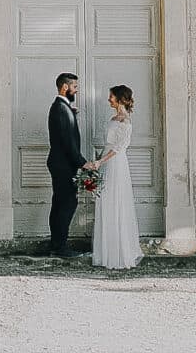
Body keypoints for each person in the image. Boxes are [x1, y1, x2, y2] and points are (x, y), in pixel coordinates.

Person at [91, 84, 143, 270]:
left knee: (116, 202)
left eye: (111, 96)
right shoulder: (114, 118)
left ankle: (119, 253)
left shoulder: (125, 121)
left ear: (120, 99)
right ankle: (106, 251)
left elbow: (118, 147)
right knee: (106, 202)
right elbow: (108, 144)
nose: (109, 99)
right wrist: (98, 160)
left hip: (116, 164)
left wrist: (100, 162)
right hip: (106, 162)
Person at [46, 72, 93, 259]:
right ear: (65, 87)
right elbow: (67, 142)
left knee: (59, 204)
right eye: (74, 87)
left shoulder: (62, 108)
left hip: (60, 163)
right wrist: (83, 163)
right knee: (66, 204)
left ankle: (56, 244)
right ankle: (60, 246)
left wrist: (71, 115)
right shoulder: (61, 108)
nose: (76, 90)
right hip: (63, 164)